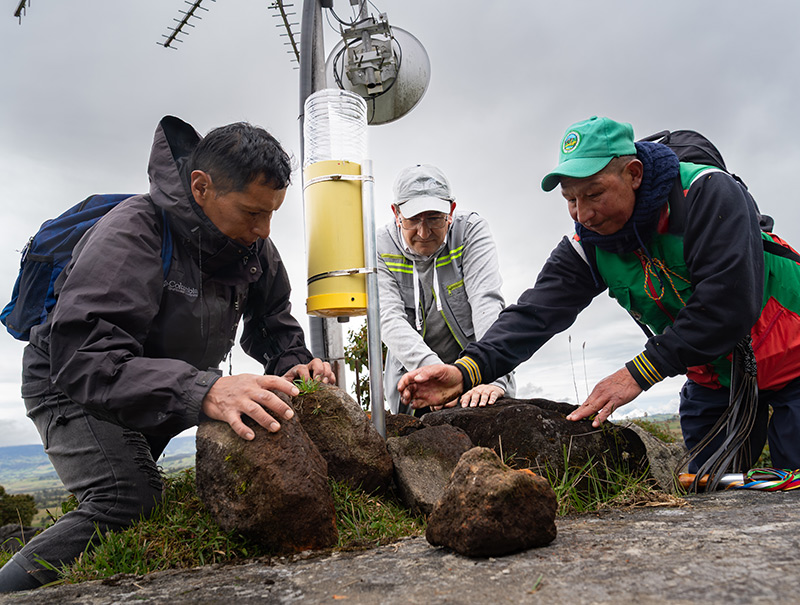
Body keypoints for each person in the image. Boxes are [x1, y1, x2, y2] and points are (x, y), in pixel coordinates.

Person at [0, 115, 334, 592]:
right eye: (251, 212)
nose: (263, 229)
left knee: (125, 501)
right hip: (71, 381)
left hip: (158, 390)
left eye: (272, 213)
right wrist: (206, 389)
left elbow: (272, 319)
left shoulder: (251, 248)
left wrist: (292, 360)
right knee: (126, 497)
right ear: (201, 187)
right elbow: (86, 357)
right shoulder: (133, 233)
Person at [397, 116, 800, 474]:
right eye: (570, 200)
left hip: (793, 358)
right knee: (709, 490)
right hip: (716, 378)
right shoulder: (590, 243)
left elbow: (727, 305)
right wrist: (466, 370)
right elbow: (534, 314)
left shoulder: (707, 194)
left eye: (593, 194)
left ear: (635, 174)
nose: (582, 213)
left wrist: (637, 374)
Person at [377, 164, 514, 415]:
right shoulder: (379, 246)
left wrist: (493, 376)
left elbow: (487, 301)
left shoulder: (470, 230)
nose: (424, 231)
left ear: (451, 210)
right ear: (396, 213)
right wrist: (437, 378)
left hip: (476, 367)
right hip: (416, 377)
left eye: (434, 218)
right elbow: (388, 318)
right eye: (413, 220)